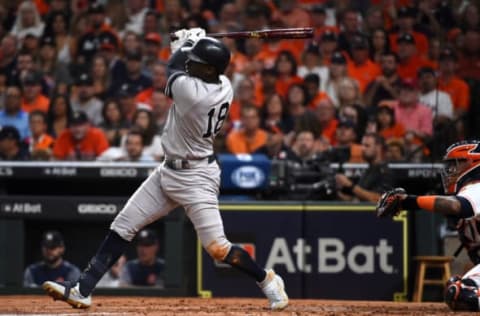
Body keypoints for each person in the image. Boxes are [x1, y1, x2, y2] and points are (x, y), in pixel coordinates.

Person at [42, 30, 288, 311]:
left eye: (197, 62)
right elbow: (184, 65)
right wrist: (191, 45)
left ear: (208, 69)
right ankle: (82, 290)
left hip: (197, 177)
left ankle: (267, 280)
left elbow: (172, 68)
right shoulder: (225, 82)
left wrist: (184, 44)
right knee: (123, 225)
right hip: (167, 171)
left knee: (218, 248)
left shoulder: (193, 95)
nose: (191, 64)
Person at [376, 140, 480, 311]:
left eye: (456, 163)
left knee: (461, 293)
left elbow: (457, 206)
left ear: (473, 163)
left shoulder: (476, 186)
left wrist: (408, 201)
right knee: (458, 289)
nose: (450, 170)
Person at [335, 132, 394, 202]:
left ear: (378, 147)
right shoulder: (368, 170)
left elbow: (379, 199)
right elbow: (357, 200)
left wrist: (350, 185)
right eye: (362, 145)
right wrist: (336, 192)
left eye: (367, 145)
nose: (362, 149)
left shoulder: (386, 171)